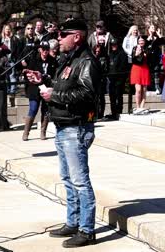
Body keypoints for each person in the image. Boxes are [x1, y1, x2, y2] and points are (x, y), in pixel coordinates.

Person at [26, 19, 100, 248]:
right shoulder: (69, 60)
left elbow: (87, 94)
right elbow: (64, 86)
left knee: (80, 181)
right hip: (62, 126)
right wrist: (45, 81)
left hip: (76, 127)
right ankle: (73, 221)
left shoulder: (87, 61)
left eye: (62, 34)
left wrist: (54, 97)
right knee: (68, 179)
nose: (58, 38)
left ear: (76, 36)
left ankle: (87, 230)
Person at [22, 41, 57, 141]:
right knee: (33, 109)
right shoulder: (34, 59)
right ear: (40, 49)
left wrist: (46, 78)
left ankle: (43, 131)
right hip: (34, 88)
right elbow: (27, 73)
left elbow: (54, 75)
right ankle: (26, 132)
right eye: (43, 49)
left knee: (45, 110)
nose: (45, 51)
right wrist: (29, 75)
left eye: (47, 49)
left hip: (46, 87)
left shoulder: (53, 61)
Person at [107, 38, 129, 120]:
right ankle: (113, 113)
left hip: (119, 79)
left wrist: (121, 78)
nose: (113, 46)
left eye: (115, 44)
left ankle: (119, 112)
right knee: (112, 97)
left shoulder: (122, 54)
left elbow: (123, 67)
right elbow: (109, 66)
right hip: (111, 79)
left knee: (119, 96)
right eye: (112, 45)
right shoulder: (111, 54)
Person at [130, 36, 151, 114]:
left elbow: (150, 57)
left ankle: (142, 107)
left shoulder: (147, 48)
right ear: (138, 41)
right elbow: (133, 59)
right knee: (138, 90)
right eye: (140, 40)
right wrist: (137, 54)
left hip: (145, 69)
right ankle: (138, 107)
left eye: (143, 40)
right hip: (137, 69)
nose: (141, 42)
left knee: (144, 90)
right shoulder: (135, 48)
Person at [146, 24, 165, 94]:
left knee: (156, 73)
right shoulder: (146, 37)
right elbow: (146, 43)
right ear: (148, 29)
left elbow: (163, 42)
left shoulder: (156, 38)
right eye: (152, 27)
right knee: (148, 73)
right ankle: (147, 88)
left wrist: (158, 34)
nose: (153, 28)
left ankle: (157, 87)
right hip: (148, 58)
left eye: (154, 27)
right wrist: (150, 35)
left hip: (156, 58)